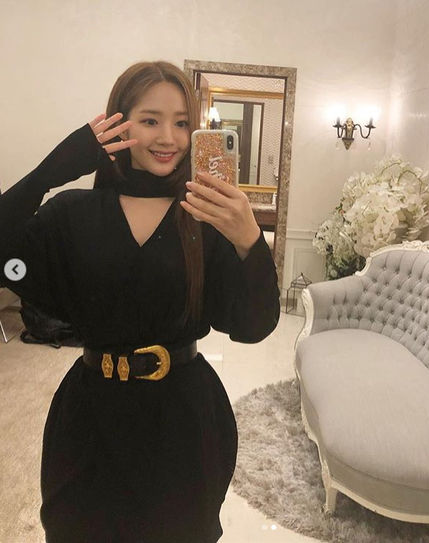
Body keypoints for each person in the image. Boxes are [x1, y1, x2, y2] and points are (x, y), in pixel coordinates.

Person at [0, 61, 280, 542]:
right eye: (150, 120)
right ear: (118, 124)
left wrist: (249, 242)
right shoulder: (73, 214)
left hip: (183, 422)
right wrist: (52, 170)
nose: (169, 137)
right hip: (90, 421)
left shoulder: (204, 218)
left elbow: (253, 326)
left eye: (182, 122)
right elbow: (6, 258)